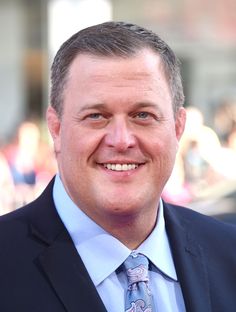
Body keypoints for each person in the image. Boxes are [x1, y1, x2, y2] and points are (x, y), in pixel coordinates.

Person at [0, 21, 236, 312]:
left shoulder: (229, 254)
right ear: (56, 128)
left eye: (143, 115)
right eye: (97, 116)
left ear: (177, 128)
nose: (121, 140)